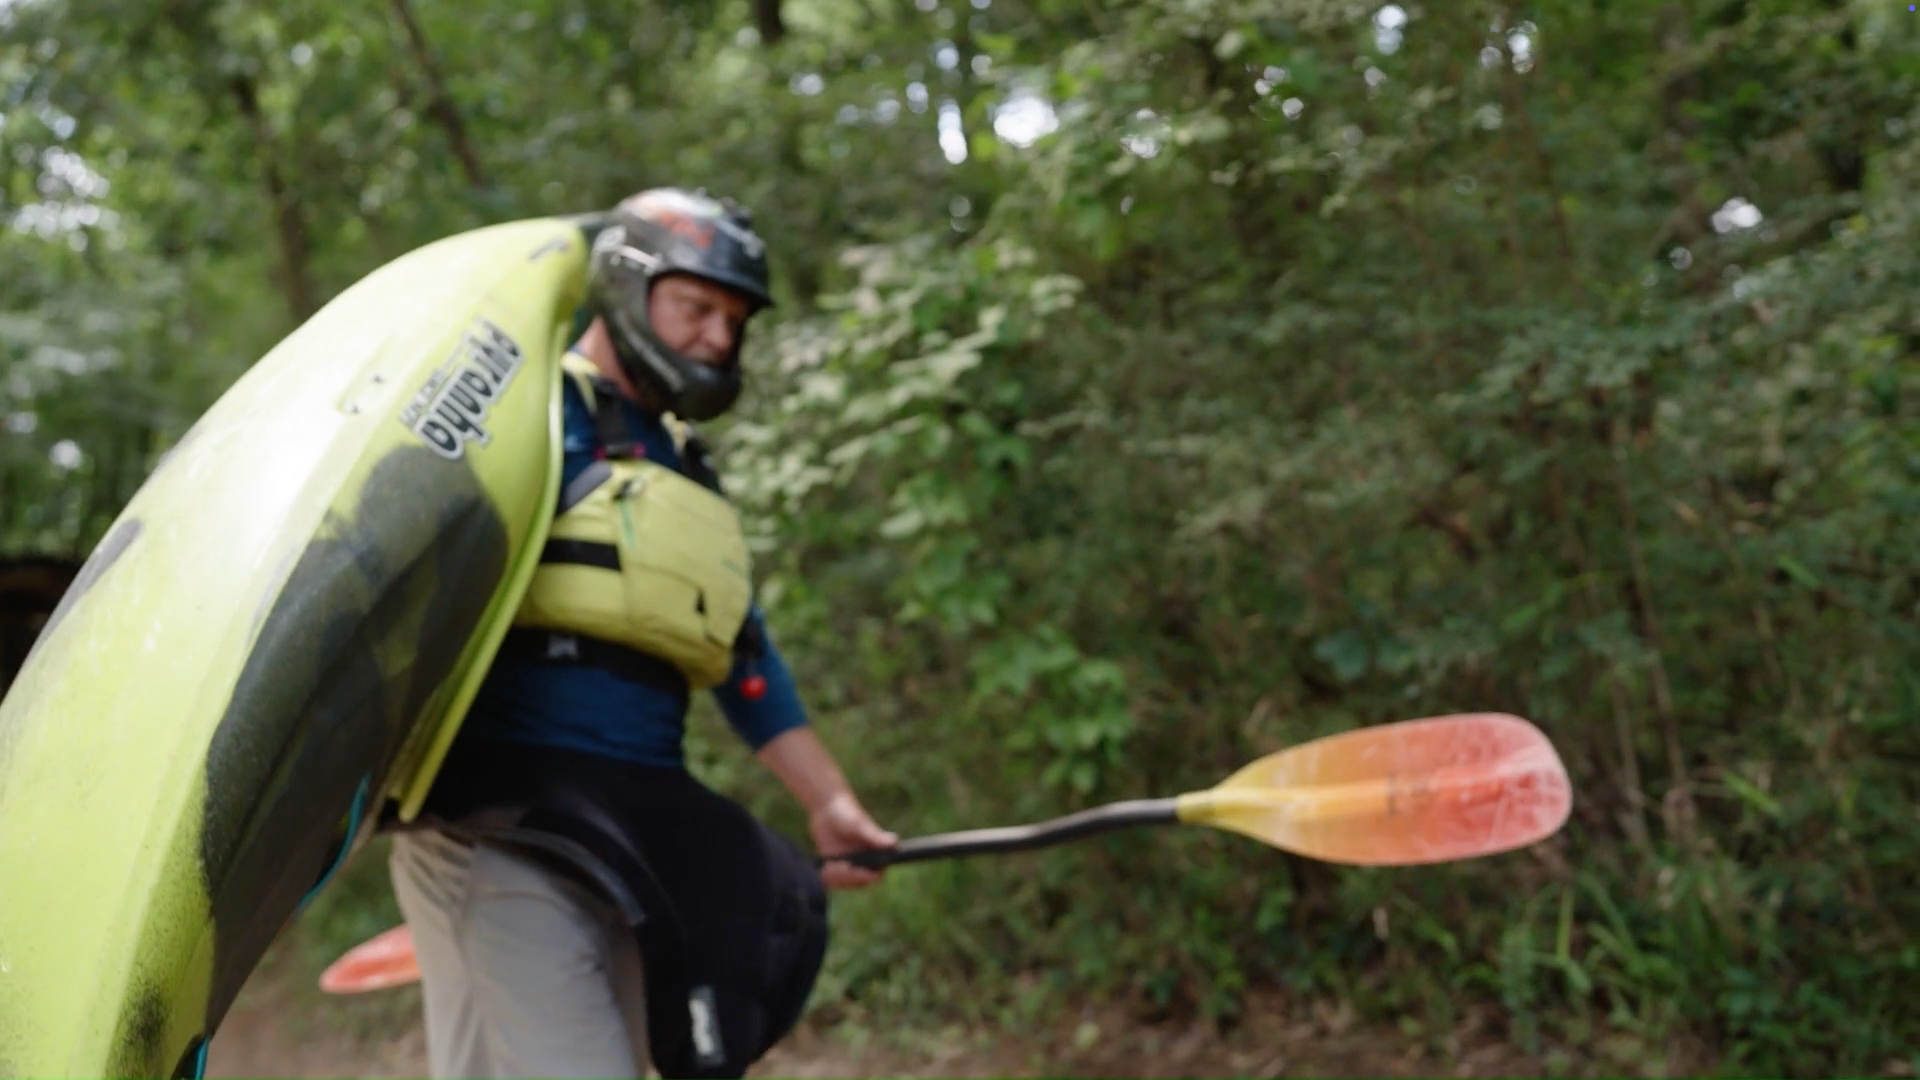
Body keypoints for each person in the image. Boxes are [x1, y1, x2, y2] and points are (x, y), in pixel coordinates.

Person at [387, 188, 897, 1080]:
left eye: (733, 320)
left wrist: (828, 801)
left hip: (624, 831)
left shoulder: (681, 465)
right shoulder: (526, 413)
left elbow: (745, 657)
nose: (716, 338)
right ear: (627, 288)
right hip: (499, 826)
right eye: (695, 307)